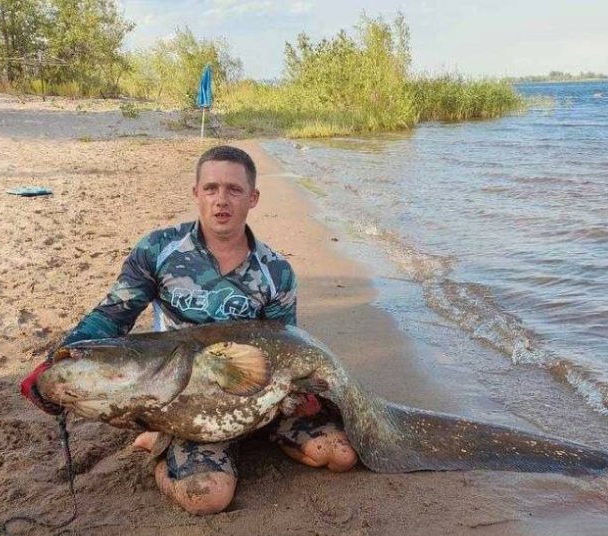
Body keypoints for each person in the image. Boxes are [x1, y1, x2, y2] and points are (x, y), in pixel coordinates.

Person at [20, 145, 358, 515]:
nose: (221, 200)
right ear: (196, 193)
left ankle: (248, 438)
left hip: (258, 397)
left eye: (234, 189)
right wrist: (60, 357)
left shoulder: (276, 271)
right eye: (211, 188)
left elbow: (283, 341)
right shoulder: (158, 250)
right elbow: (114, 313)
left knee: (341, 457)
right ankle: (160, 444)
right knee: (210, 496)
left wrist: (301, 390)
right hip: (183, 400)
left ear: (253, 198)